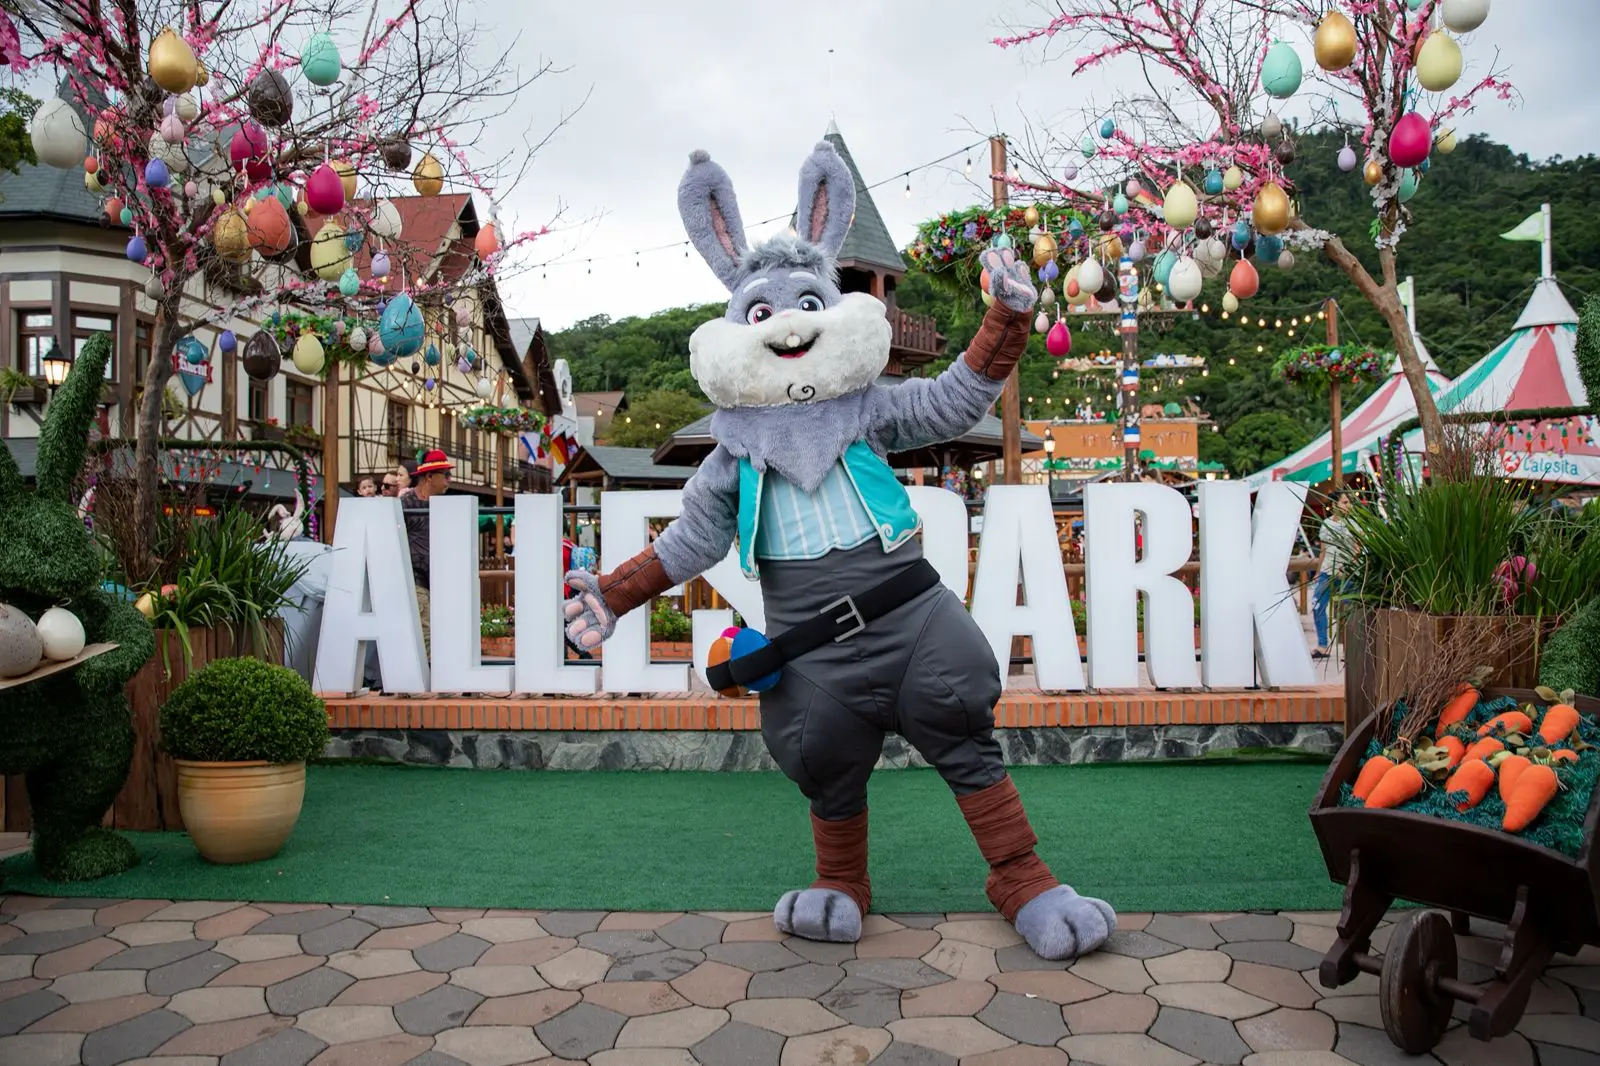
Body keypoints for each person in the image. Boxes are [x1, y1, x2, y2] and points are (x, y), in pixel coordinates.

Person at [561, 142, 1113, 961]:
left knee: (961, 718)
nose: (787, 324)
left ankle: (1023, 877)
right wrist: (613, 593)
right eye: (761, 313)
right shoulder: (731, 453)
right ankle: (841, 883)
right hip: (810, 647)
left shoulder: (868, 409)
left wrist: (1007, 319)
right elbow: (691, 538)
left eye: (807, 302)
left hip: (907, 614)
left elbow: (951, 398)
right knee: (820, 753)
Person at [401, 449, 452, 655]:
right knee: (426, 633)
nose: (449, 480)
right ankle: (437, 681)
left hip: (438, 580)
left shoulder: (443, 505)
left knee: (436, 632)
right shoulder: (406, 504)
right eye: (445, 474)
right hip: (416, 578)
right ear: (430, 477)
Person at [1312, 488, 1355, 659]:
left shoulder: (1354, 523)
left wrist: (1351, 566)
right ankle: (1323, 646)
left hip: (1347, 572)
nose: (1348, 506)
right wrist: (1317, 572)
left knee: (1347, 610)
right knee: (1317, 606)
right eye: (1345, 502)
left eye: (1349, 502)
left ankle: (1348, 649)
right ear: (1334, 504)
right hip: (1327, 571)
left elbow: (1357, 548)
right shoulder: (1326, 524)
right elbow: (1323, 550)